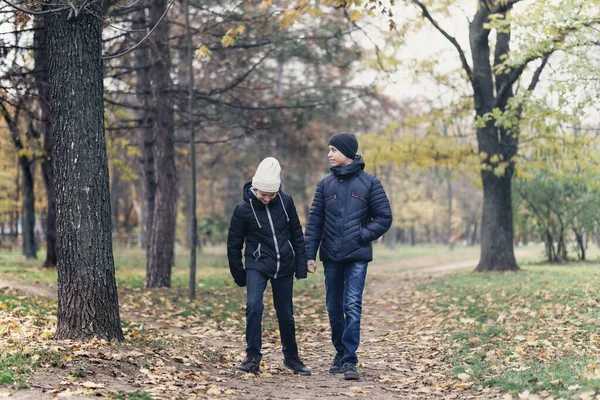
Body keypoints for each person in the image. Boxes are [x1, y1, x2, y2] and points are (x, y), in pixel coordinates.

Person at [304, 132, 392, 380]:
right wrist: (309, 254)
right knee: (334, 307)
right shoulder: (324, 185)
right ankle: (340, 352)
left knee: (352, 305)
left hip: (357, 256)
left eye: (333, 149)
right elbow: (314, 222)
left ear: (347, 152)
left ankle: (350, 359)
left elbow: (384, 218)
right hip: (331, 255)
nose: (329, 154)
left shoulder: (370, 183)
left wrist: (362, 235)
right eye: (328, 150)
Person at [227, 157, 311, 376]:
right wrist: (240, 275)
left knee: (286, 313)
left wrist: (300, 266)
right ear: (254, 188)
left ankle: (292, 358)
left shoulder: (286, 201)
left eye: (271, 195)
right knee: (254, 306)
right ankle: (252, 358)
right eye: (262, 194)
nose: (266, 198)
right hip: (257, 264)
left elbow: (296, 233)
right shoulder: (242, 209)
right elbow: (233, 245)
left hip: (284, 264)